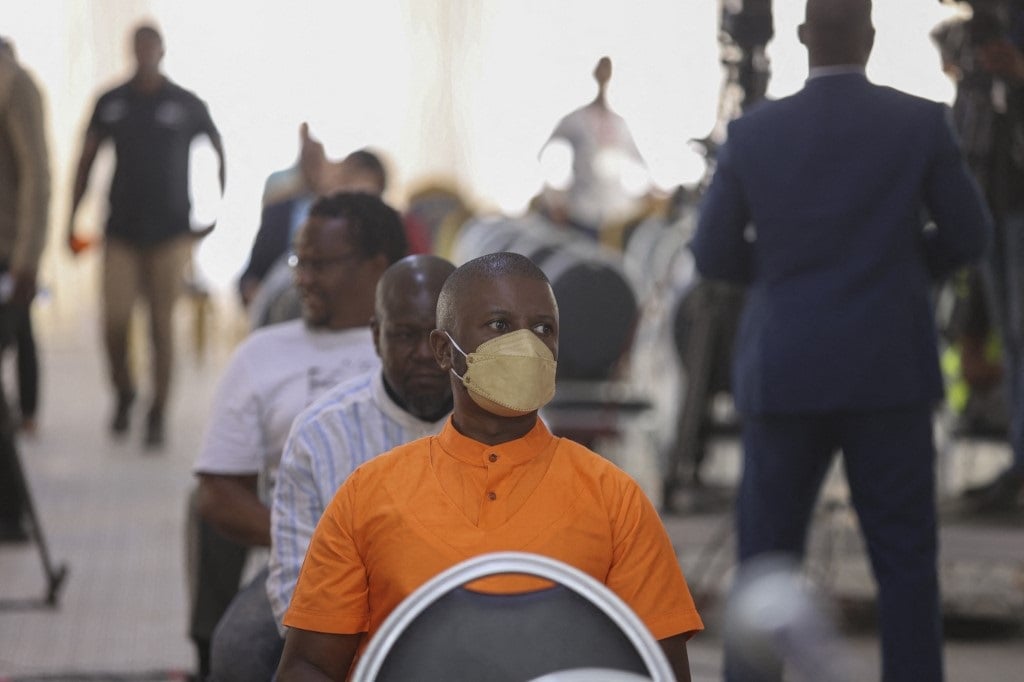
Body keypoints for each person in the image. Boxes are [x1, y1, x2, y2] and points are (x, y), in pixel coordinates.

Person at [691, 1, 991, 680]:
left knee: (765, 565)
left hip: (785, 367)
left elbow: (712, 254)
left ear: (801, 37)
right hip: (889, 370)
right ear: (871, 37)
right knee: (906, 564)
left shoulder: (753, 132)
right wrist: (908, 270)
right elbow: (971, 236)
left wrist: (779, 281)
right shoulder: (919, 123)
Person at [276, 252, 703, 682]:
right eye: (499, 325)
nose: (527, 345)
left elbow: (660, 669)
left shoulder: (615, 499)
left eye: (543, 329)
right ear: (444, 350)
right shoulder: (369, 493)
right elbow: (310, 665)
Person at [190, 192, 407, 680]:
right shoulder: (261, 355)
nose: (302, 278)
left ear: (377, 266)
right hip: (308, 563)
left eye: (320, 264)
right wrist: (312, 542)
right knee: (242, 649)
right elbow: (217, 493)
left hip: (426, 553)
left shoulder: (421, 348)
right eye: (299, 261)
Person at [207, 255, 455, 680]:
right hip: (351, 629)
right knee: (242, 649)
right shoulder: (320, 435)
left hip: (473, 621)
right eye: (404, 335)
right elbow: (295, 591)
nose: (424, 354)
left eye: (440, 338)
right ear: (375, 338)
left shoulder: (507, 423)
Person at [67, 23, 226, 447]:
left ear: (162, 50)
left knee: (162, 328)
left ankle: (158, 413)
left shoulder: (186, 104)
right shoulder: (112, 101)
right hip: (121, 232)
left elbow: (217, 152)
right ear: (131, 51)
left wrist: (214, 216)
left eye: (151, 47)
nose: (145, 54)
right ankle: (124, 389)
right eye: (138, 48)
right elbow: (85, 161)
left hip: (171, 234)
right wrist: (71, 218)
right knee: (114, 320)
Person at [933, 0, 1024, 510]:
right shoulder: (975, 33)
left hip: (1013, 199)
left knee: (1019, 336)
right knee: (1010, 339)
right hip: (993, 196)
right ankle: (1018, 460)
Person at [237, 123, 390, 309]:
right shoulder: (279, 211)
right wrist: (257, 294)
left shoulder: (370, 224)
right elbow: (251, 274)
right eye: (308, 157)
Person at [0, 35, 49, 541]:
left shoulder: (13, 84)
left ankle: (9, 514)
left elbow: (37, 173)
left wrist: (27, 258)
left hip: (6, 254)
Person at [540, 56, 648, 238]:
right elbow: (545, 154)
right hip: (581, 212)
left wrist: (646, 198)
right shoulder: (577, 119)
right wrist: (554, 199)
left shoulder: (620, 124)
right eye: (602, 71)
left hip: (614, 215)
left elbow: (640, 161)